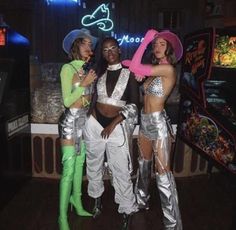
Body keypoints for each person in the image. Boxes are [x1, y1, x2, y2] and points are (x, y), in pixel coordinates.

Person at [123, 29, 183, 230]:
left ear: (169, 49)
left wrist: (145, 41)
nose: (157, 47)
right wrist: (138, 73)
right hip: (144, 121)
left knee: (163, 173)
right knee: (143, 164)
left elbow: (134, 64)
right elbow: (137, 70)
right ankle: (141, 201)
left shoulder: (168, 70)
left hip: (158, 124)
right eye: (154, 43)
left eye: (161, 44)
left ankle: (172, 223)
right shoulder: (155, 70)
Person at [83, 37, 140, 229]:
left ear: (119, 50)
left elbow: (134, 105)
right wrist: (91, 115)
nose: (110, 52)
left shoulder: (129, 73)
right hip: (94, 124)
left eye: (113, 48)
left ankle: (126, 208)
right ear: (102, 53)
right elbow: (94, 97)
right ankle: (97, 200)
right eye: (105, 50)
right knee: (93, 165)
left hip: (116, 127)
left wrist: (113, 123)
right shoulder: (100, 72)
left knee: (121, 169)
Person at [58, 28, 98, 230]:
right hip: (69, 123)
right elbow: (67, 101)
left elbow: (88, 101)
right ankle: (62, 218)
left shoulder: (87, 69)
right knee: (68, 170)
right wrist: (84, 83)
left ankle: (77, 202)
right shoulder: (68, 69)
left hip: (83, 123)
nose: (89, 47)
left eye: (91, 44)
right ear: (76, 46)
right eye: (85, 43)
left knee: (79, 167)